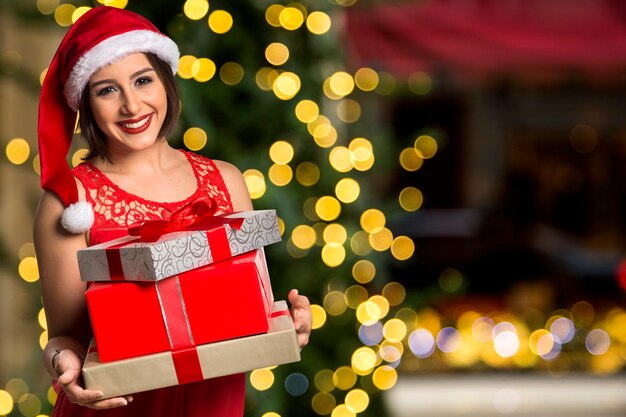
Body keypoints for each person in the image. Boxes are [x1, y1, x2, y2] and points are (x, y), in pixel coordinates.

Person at [33, 6, 312, 416]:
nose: (131, 105)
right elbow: (63, 339)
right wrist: (65, 366)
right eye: (107, 90)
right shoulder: (71, 202)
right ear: (86, 104)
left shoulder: (227, 180)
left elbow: (245, 312)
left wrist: (287, 325)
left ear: (166, 82)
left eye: (143, 80)